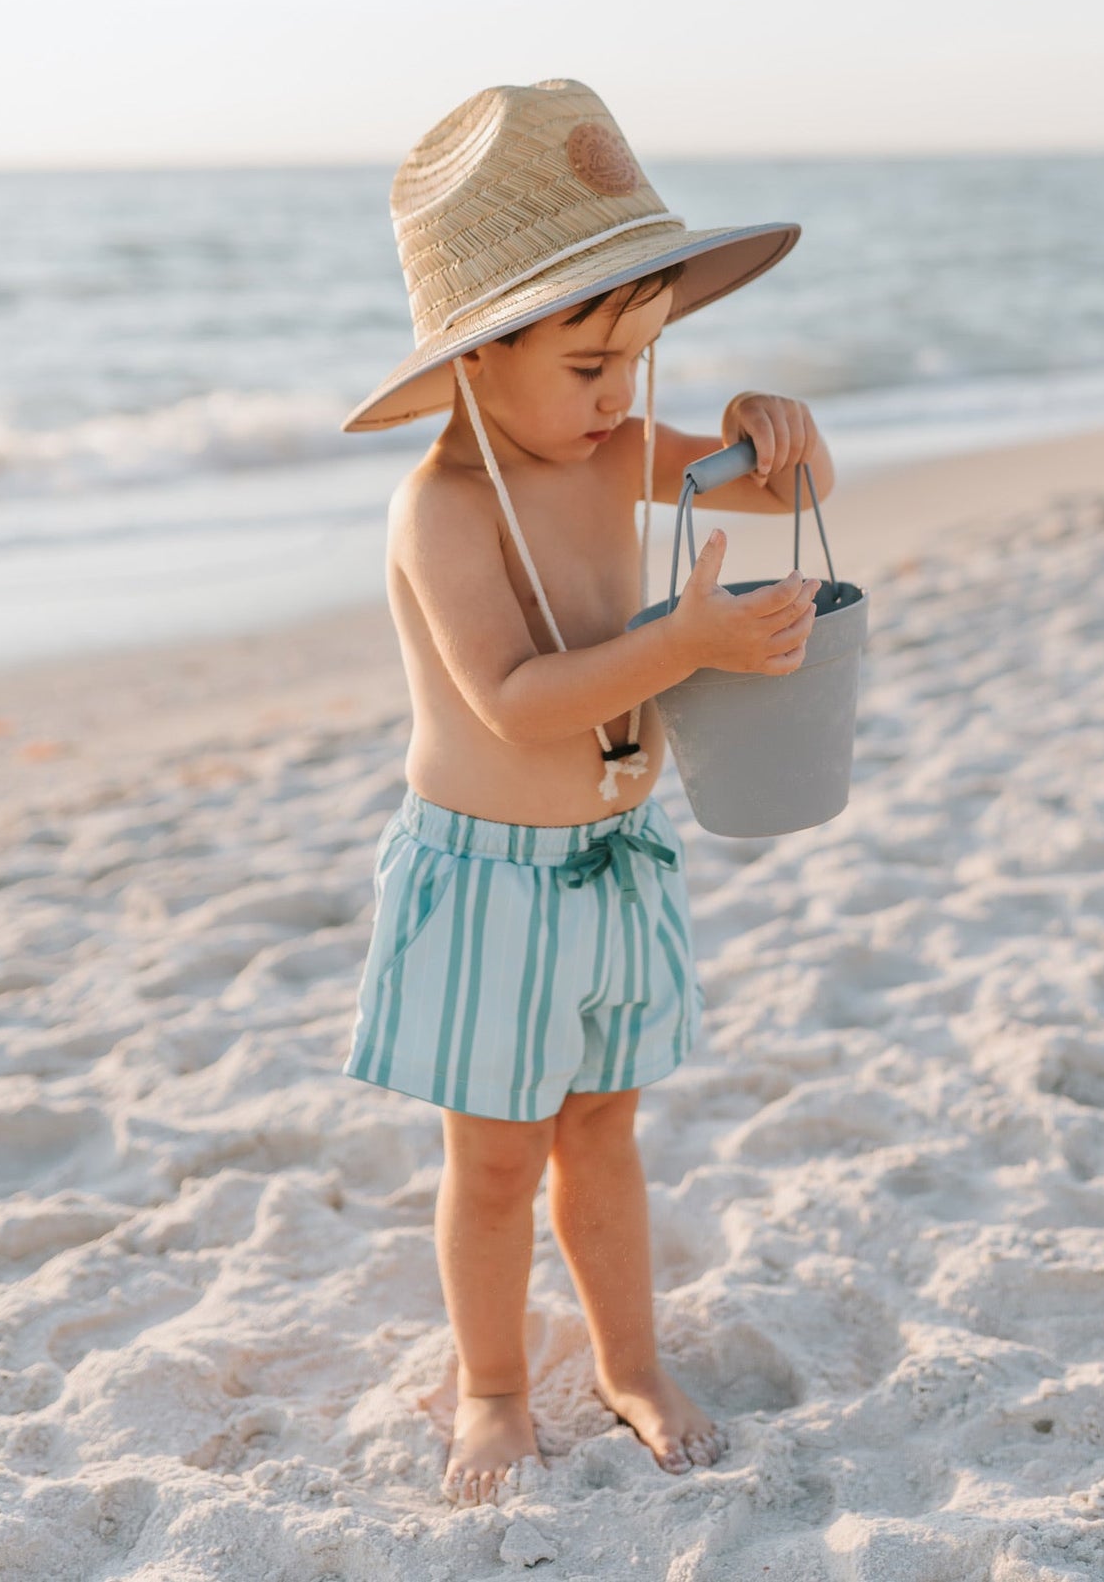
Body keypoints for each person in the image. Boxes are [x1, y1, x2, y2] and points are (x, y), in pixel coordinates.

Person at [338, 79, 834, 1506]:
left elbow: (775, 491)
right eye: (582, 363)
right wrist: (679, 640)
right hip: (489, 873)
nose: (619, 395)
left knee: (605, 1131)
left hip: (619, 852)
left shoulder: (618, 447)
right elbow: (512, 696)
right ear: (479, 356)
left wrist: (780, 431)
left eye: (642, 353)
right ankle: (492, 1383)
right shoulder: (444, 505)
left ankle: (627, 1356)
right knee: (494, 1160)